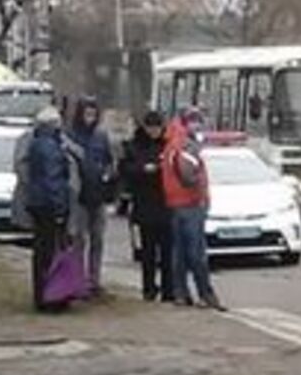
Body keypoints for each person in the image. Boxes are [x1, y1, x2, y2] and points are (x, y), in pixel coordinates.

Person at [162, 108, 224, 311]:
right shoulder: (187, 145)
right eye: (195, 122)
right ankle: (206, 294)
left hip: (175, 204)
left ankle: (181, 293)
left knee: (179, 253)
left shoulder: (171, 142)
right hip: (190, 204)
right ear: (186, 123)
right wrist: (200, 187)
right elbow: (188, 175)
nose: (198, 126)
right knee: (196, 252)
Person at [19, 106, 75, 313]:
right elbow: (54, 180)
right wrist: (60, 209)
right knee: (52, 252)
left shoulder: (36, 143)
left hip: (38, 204)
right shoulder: (51, 146)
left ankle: (42, 297)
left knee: (42, 251)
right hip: (50, 206)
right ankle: (53, 297)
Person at [120, 111, 174, 302]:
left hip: (166, 205)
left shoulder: (168, 145)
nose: (154, 132)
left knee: (167, 252)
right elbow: (125, 170)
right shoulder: (135, 146)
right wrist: (143, 169)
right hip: (144, 205)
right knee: (148, 253)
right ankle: (149, 289)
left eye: (157, 128)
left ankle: (169, 290)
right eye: (151, 128)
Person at [65, 96, 116, 297]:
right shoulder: (70, 136)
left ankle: (94, 280)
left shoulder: (101, 137)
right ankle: (77, 281)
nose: (90, 118)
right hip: (79, 196)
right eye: (87, 114)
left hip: (98, 195)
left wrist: (109, 175)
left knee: (98, 239)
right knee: (78, 240)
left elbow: (110, 162)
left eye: (93, 114)